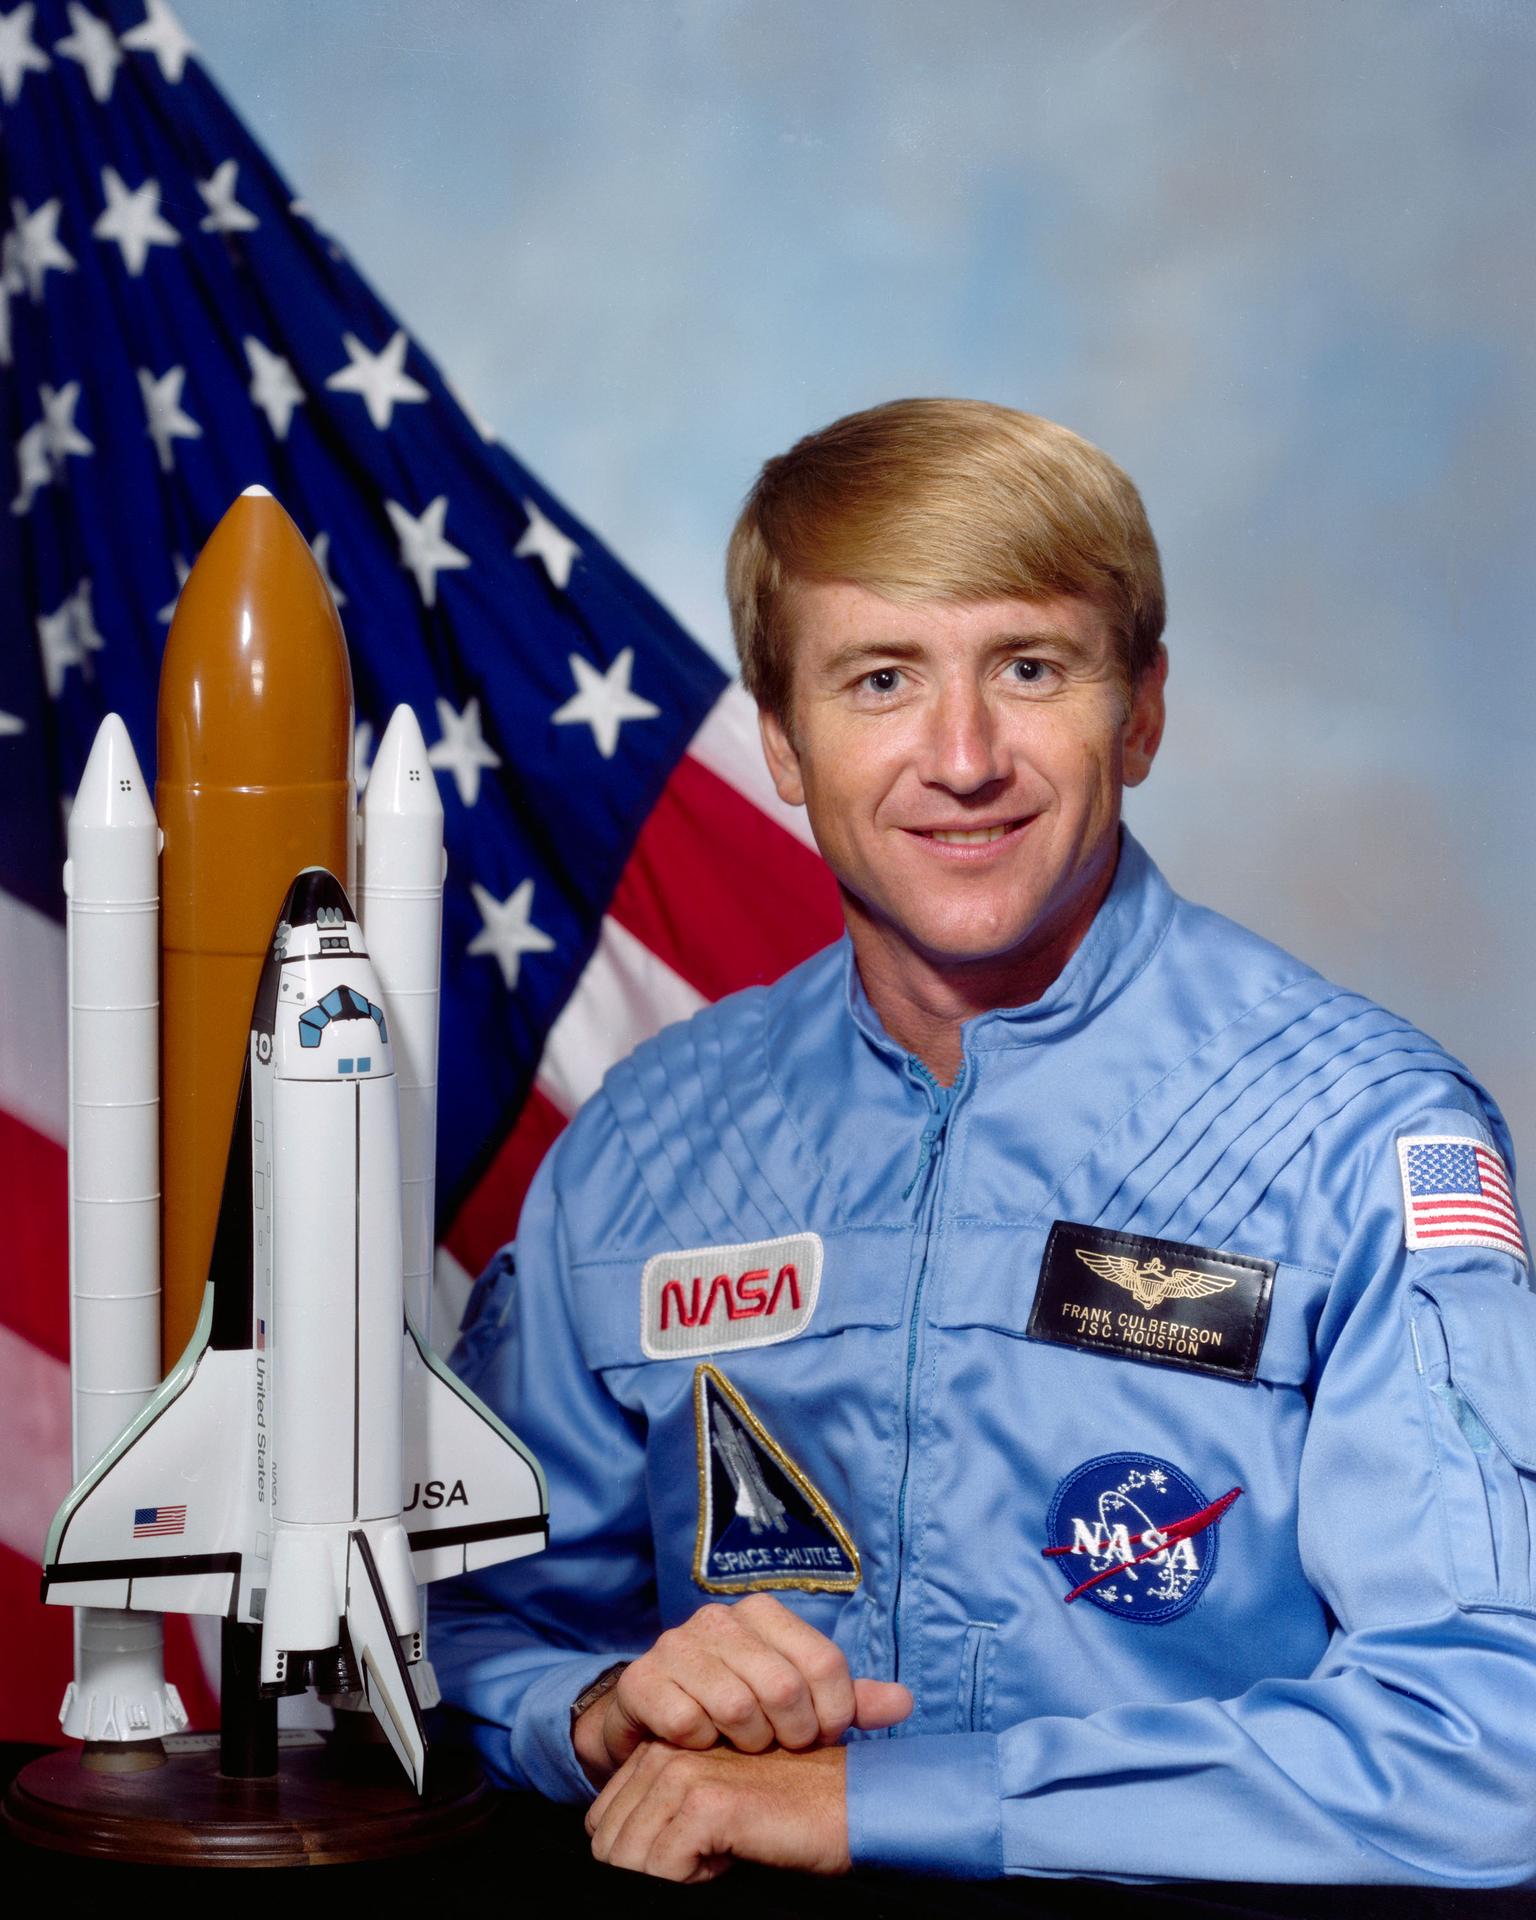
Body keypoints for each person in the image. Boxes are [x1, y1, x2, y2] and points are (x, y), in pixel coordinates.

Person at [431, 399, 1536, 1887]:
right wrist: (600, 1712)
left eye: (1029, 668)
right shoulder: (649, 1147)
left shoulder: (1353, 1131)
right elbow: (476, 1622)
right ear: (780, 740)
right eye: (880, 679)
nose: (962, 758)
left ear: (1140, 712)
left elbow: (1486, 1742)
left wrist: (884, 1803)